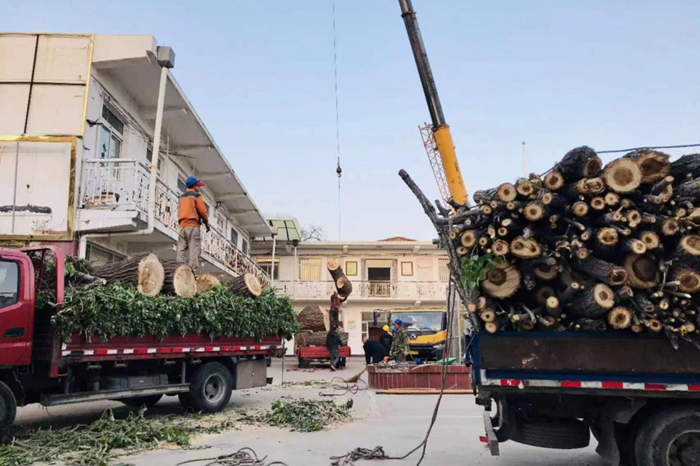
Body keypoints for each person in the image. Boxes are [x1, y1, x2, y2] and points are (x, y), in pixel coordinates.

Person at [177, 176, 210, 271]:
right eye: (198, 186)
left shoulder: (181, 197)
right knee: (194, 250)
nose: (200, 188)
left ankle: (179, 270)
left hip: (182, 226)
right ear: (195, 186)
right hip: (193, 226)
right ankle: (192, 272)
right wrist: (206, 224)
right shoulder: (196, 196)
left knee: (181, 250)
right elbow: (203, 212)